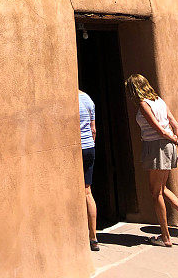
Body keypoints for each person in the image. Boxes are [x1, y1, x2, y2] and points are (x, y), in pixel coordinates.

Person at [125, 74, 178, 246]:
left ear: (134, 89)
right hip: (166, 147)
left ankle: (165, 237)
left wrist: (174, 140)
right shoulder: (159, 100)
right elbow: (175, 123)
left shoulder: (144, 104)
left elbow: (159, 129)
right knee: (162, 188)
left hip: (156, 147)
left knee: (155, 192)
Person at [79, 89, 99, 251]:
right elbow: (93, 129)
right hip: (89, 147)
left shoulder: (70, 100)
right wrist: (91, 144)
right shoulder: (87, 99)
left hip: (77, 148)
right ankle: (93, 237)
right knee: (87, 191)